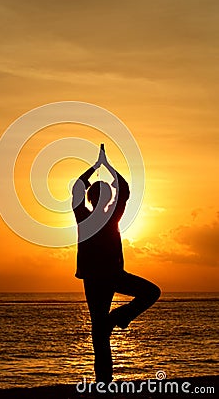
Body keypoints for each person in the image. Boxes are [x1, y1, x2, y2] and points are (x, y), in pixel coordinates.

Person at [72, 145, 160, 384]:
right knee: (100, 331)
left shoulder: (101, 216)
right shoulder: (89, 216)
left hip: (107, 276)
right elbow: (120, 190)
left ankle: (116, 320)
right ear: (96, 198)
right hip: (99, 277)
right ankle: (104, 380)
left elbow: (119, 191)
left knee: (149, 294)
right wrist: (103, 166)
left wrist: (100, 166)